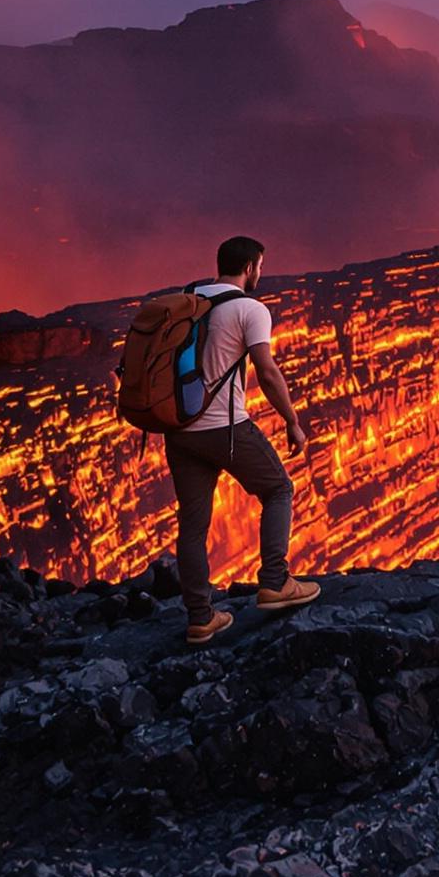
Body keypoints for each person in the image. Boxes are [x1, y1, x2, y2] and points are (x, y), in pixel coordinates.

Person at [167, 234, 319, 642]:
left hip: (180, 430)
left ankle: (200, 618)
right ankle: (275, 582)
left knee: (193, 525)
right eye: (260, 267)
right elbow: (267, 372)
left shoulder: (189, 298)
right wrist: (292, 420)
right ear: (251, 267)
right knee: (278, 489)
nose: (260, 274)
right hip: (224, 427)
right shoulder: (250, 309)